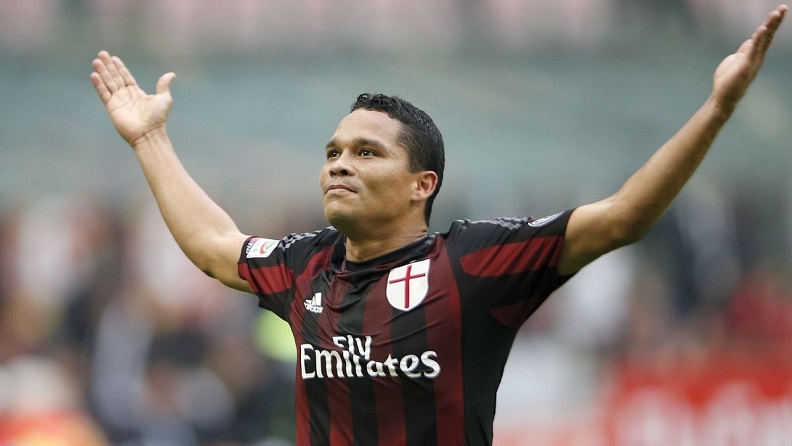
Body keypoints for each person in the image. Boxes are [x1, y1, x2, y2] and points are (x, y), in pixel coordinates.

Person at [90, 5, 787, 445]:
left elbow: (624, 216)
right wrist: (149, 139)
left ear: (422, 184)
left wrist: (717, 109)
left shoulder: (473, 262)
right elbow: (215, 247)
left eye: (367, 153)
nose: (339, 164)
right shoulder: (307, 264)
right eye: (332, 152)